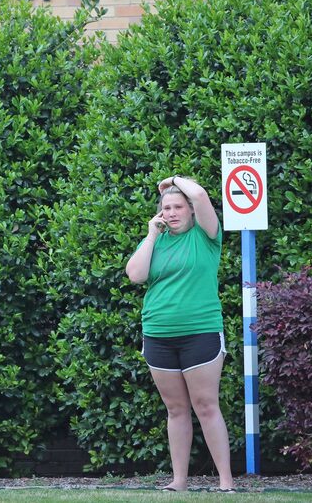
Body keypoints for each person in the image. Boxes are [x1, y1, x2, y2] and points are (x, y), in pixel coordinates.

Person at [125, 175, 236, 493]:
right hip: (158, 334)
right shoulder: (156, 239)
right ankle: (179, 481)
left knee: (205, 405)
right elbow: (136, 275)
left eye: (177, 207)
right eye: (166, 208)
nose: (171, 212)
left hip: (200, 332)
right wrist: (150, 234)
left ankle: (226, 483)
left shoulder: (206, 236)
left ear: (189, 211)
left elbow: (200, 195)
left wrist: (173, 180)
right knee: (175, 409)